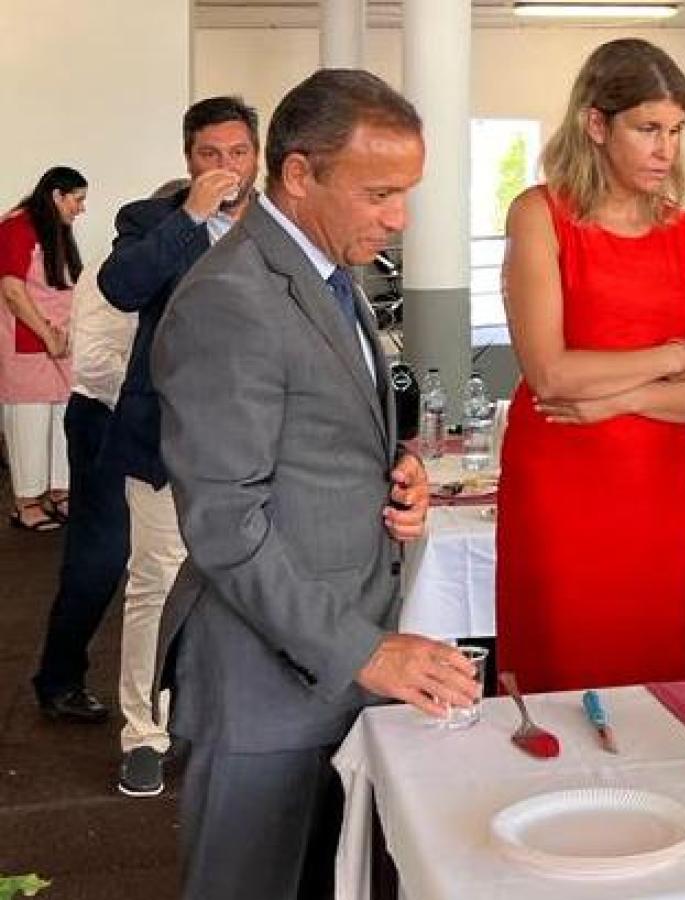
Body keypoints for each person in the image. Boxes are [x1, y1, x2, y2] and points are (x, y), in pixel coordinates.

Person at [151, 69, 477, 899]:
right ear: (298, 174)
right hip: (263, 682)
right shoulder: (231, 296)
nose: (399, 218)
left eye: (405, 193)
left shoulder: (328, 276)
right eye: (379, 193)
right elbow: (224, 521)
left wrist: (393, 475)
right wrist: (364, 651)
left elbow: (318, 432)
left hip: (327, 659)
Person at [497, 39, 685, 692]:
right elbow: (551, 373)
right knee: (559, 666)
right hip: (559, 481)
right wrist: (670, 357)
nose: (666, 149)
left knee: (653, 669)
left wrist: (619, 399)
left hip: (658, 487)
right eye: (648, 128)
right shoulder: (539, 214)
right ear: (596, 125)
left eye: (676, 130)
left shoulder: (683, 233)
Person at [98, 95, 260, 798]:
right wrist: (191, 216)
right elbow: (122, 286)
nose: (226, 167)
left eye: (238, 153)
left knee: (253, 582)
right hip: (165, 437)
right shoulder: (150, 222)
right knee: (157, 582)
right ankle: (144, 732)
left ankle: (235, 716)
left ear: (258, 157)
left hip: (256, 439)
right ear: (188, 159)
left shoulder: (281, 226)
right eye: (209, 154)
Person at [30, 264, 134, 724]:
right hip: (105, 419)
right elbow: (94, 366)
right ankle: (59, 679)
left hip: (131, 416)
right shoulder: (114, 273)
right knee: (100, 556)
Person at [0, 166, 85, 532]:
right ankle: (27, 502)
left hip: (60, 343)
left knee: (62, 421)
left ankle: (59, 492)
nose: (81, 208)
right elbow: (13, 291)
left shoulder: (56, 230)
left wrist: (62, 336)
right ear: (56, 196)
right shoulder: (16, 227)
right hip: (30, 342)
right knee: (29, 424)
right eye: (77, 200)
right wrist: (47, 336)